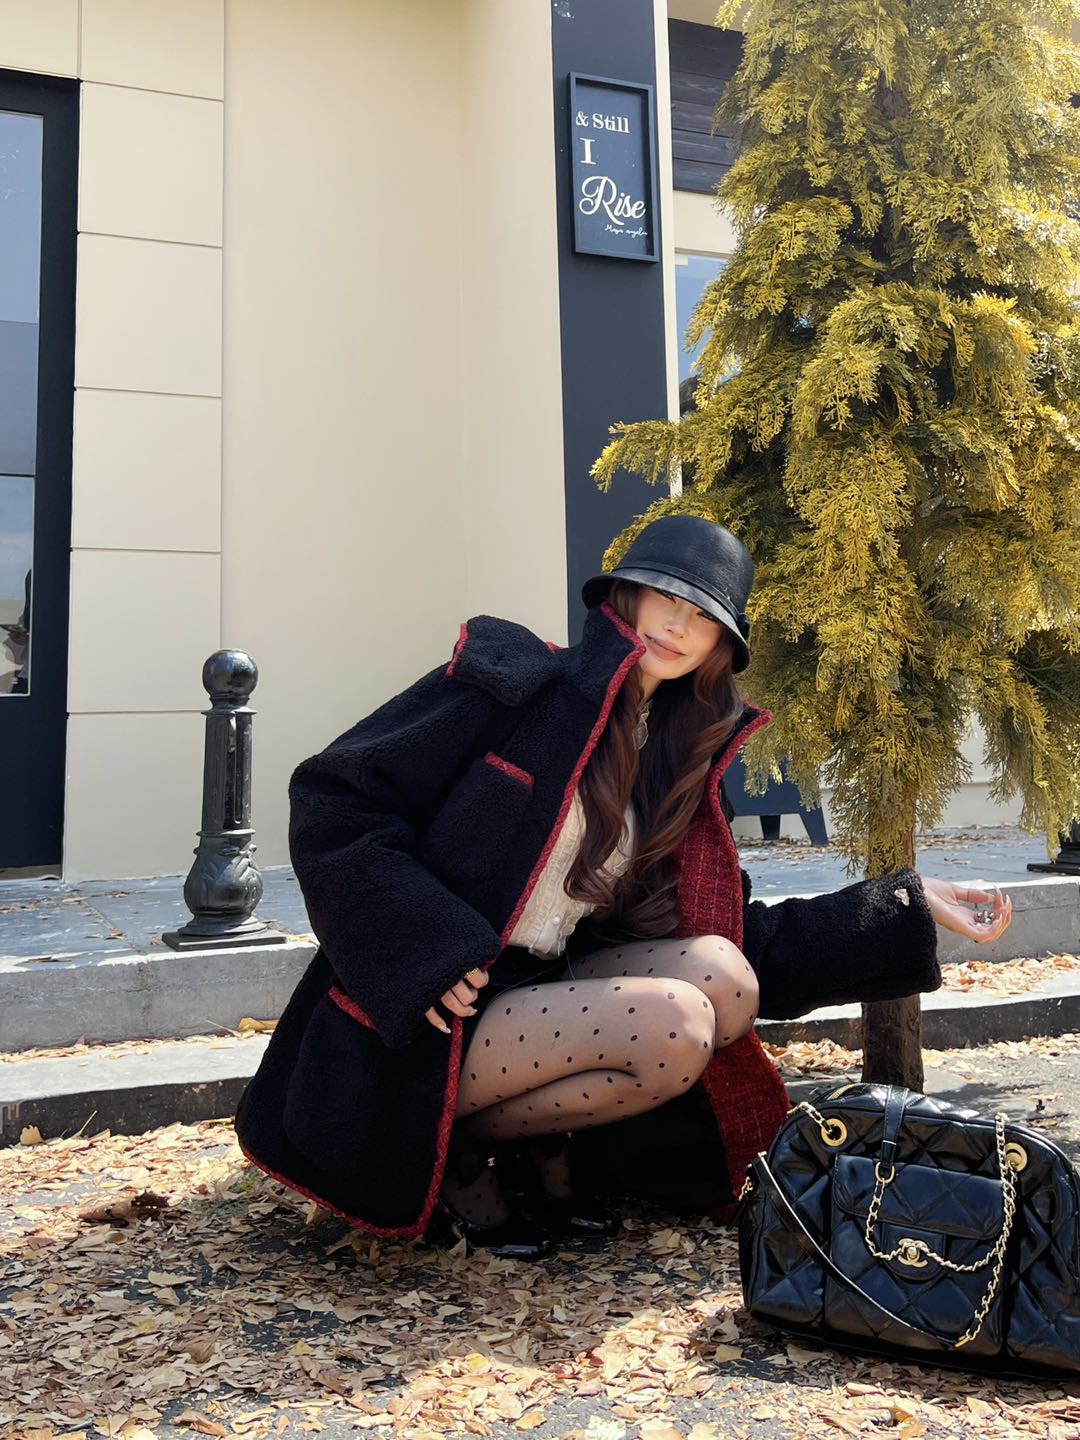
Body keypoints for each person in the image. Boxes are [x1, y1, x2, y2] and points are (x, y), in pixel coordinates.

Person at [235, 516, 1012, 1258]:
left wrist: (906, 902)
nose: (675, 626)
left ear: (721, 645)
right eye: (664, 597)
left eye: (702, 616)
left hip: (543, 987)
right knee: (673, 1023)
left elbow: (739, 935)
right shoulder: (515, 684)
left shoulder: (674, 755)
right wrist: (423, 945)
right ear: (625, 596)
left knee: (724, 978)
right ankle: (450, 1149)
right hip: (434, 1005)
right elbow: (336, 796)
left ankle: (518, 1140)